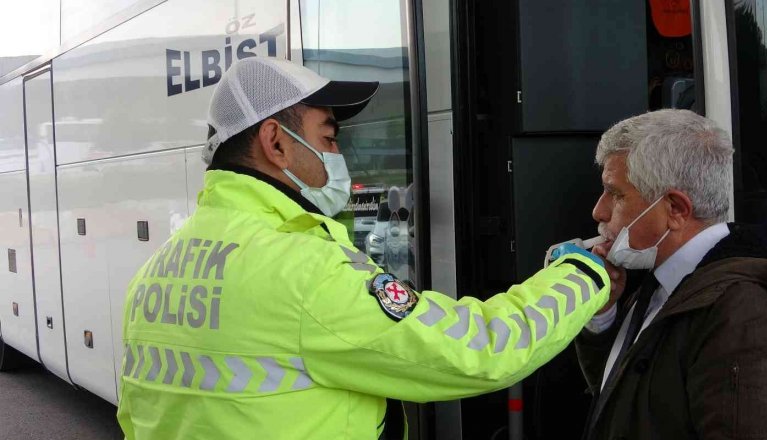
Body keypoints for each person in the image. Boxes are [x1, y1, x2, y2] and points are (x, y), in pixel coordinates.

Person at [115, 57, 611, 440]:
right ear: (276, 143)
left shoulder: (159, 269)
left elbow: (135, 416)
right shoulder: (302, 270)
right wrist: (582, 273)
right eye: (329, 138)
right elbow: (478, 349)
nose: (339, 156)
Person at [575, 109, 767, 440]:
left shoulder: (743, 313)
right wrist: (604, 314)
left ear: (676, 210)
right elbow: (626, 398)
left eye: (617, 194)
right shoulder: (665, 282)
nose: (599, 210)